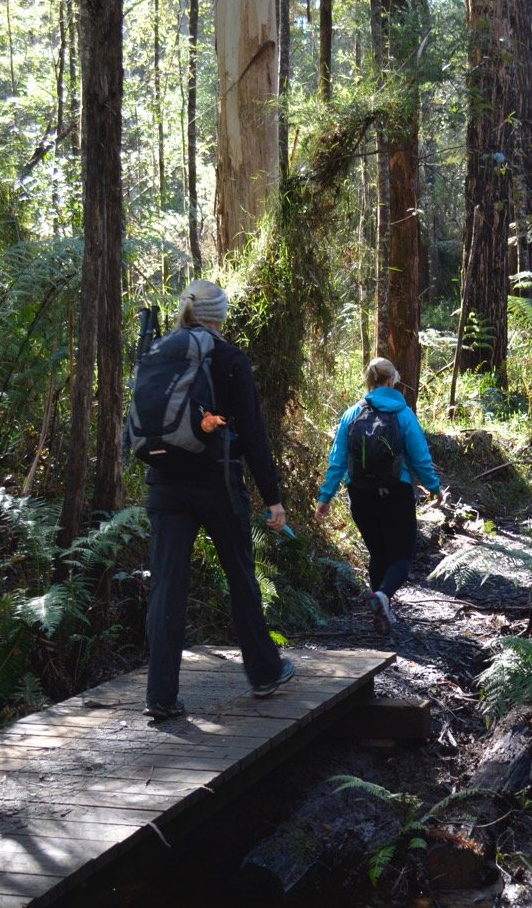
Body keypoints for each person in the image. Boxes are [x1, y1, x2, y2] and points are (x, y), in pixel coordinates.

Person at [144, 279, 293, 720]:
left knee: (166, 587)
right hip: (217, 483)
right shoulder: (229, 358)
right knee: (242, 578)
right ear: (220, 315)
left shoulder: (156, 352)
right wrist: (273, 498)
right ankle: (265, 672)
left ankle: (160, 695)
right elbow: (253, 434)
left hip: (164, 483)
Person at [314, 358, 443, 635]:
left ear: (369, 381)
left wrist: (325, 498)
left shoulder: (351, 415)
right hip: (396, 494)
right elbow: (420, 457)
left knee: (377, 553)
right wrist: (434, 488)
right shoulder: (403, 414)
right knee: (401, 557)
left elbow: (337, 461)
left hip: (360, 495)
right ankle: (383, 597)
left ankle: (382, 609)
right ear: (390, 381)